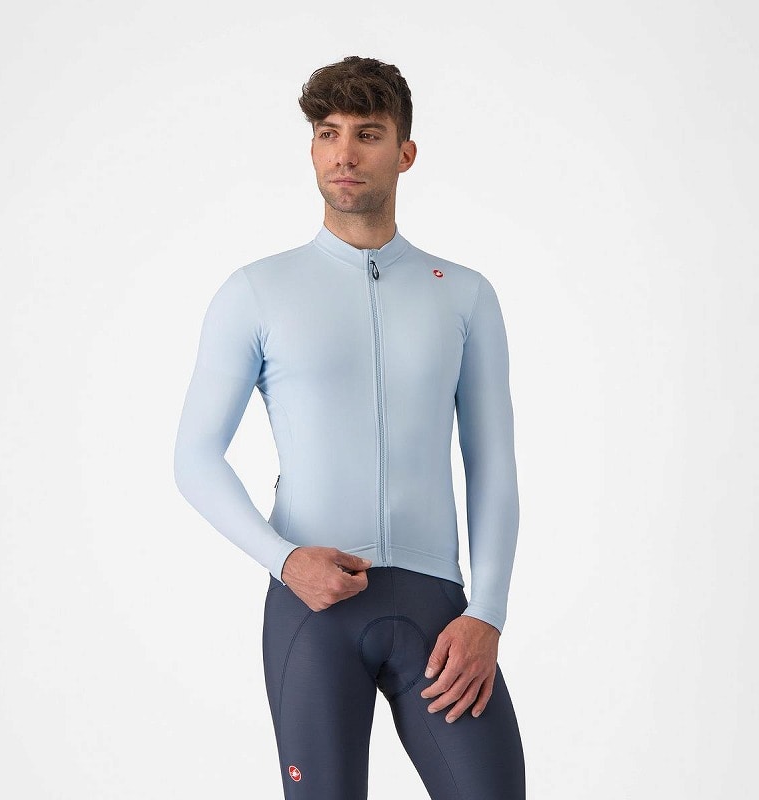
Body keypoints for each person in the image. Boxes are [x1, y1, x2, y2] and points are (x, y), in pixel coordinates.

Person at [173, 55, 526, 799]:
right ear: (311, 149)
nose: (344, 153)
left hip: (439, 615)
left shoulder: (464, 295)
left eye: (367, 134)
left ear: (404, 153)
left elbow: (492, 464)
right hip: (312, 610)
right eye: (328, 133)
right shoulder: (257, 292)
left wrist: (488, 613)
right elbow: (195, 457)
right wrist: (283, 560)